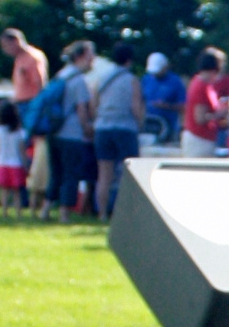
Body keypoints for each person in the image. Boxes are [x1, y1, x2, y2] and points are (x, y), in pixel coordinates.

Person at [92, 42, 146, 216]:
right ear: (129, 60)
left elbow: (94, 103)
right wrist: (140, 123)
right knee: (128, 174)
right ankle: (125, 213)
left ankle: (101, 213)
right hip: (125, 128)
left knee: (104, 174)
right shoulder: (131, 80)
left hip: (103, 127)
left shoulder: (102, 78)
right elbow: (135, 106)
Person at [53, 40, 98, 218]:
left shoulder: (61, 74)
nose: (92, 60)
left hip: (54, 130)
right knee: (71, 174)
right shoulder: (79, 80)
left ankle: (44, 209)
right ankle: (64, 214)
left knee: (56, 172)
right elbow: (81, 108)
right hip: (72, 133)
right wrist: (87, 128)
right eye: (90, 55)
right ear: (80, 56)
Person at [182, 48, 229, 158]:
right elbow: (199, 118)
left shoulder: (205, 84)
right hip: (198, 141)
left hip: (204, 140)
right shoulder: (200, 86)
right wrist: (221, 113)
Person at [0, 99, 28, 215]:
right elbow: (22, 152)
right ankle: (18, 212)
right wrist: (26, 166)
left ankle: (4, 212)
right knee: (17, 191)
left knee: (4, 190)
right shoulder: (20, 132)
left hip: (1, 163)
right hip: (16, 164)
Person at [142, 50, 187, 143]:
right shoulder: (146, 79)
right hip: (147, 123)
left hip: (167, 127)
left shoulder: (175, 82)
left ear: (165, 67)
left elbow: (184, 106)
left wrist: (166, 106)